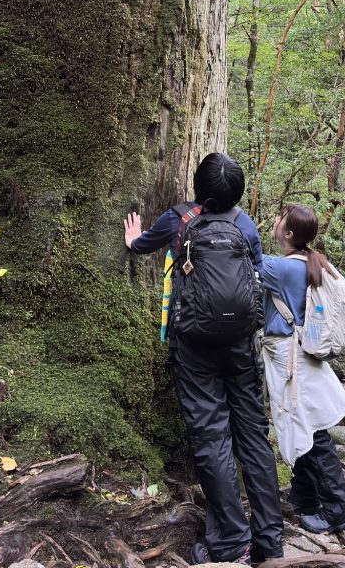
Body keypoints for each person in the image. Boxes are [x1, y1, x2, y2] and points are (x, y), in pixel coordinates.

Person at [123, 153, 283, 566]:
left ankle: (231, 543)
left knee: (212, 437)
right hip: (242, 346)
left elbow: (142, 247)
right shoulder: (245, 226)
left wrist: (133, 239)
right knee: (253, 435)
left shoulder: (179, 218)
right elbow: (258, 276)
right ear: (237, 193)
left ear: (197, 185)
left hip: (194, 345)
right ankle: (269, 538)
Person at [260, 203, 345, 535]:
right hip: (298, 358)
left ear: (288, 234)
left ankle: (337, 513)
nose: (274, 219)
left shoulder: (284, 269)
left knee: (313, 434)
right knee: (305, 430)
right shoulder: (309, 263)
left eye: (279, 217)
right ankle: (305, 501)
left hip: (291, 360)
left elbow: (245, 256)